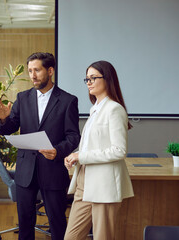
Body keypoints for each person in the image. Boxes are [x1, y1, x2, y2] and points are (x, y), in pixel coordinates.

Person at [0, 52, 80, 240]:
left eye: (37, 70)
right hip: (26, 171)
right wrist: (3, 119)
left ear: (50, 71)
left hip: (53, 169)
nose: (32, 75)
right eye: (30, 70)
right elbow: (9, 128)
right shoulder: (22, 98)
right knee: (25, 222)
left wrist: (58, 151)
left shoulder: (68, 100)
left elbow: (73, 136)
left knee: (57, 221)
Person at [64, 60, 134, 240]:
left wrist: (82, 155)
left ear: (107, 79)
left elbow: (119, 150)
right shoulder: (94, 109)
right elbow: (90, 145)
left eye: (93, 78)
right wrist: (75, 156)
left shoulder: (114, 109)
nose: (89, 82)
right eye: (87, 79)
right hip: (83, 181)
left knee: (103, 237)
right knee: (71, 237)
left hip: (104, 184)